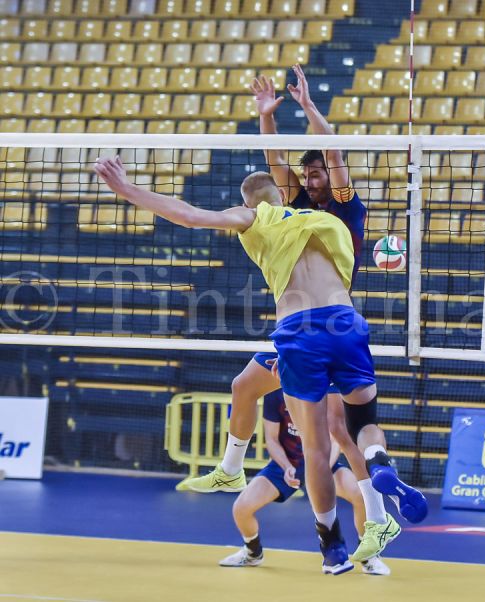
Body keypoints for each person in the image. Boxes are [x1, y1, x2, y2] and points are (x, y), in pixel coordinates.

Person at [93, 158, 427, 574]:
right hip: (347, 324)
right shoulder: (328, 221)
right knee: (360, 423)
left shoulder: (255, 217)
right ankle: (377, 465)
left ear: (250, 202)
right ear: (281, 194)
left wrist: (126, 190)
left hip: (300, 333)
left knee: (316, 447)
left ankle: (332, 546)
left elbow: (190, 215)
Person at [175, 65, 368, 497]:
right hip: (300, 324)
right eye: (307, 175)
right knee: (244, 386)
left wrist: (309, 107)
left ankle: (375, 512)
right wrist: (266, 115)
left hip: (332, 319)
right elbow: (275, 161)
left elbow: (333, 153)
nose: (309, 181)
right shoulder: (294, 206)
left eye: (315, 174)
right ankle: (230, 469)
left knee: (339, 430)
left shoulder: (345, 206)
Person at [219, 387, 390, 576]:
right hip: (288, 465)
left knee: (360, 496)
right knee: (241, 508)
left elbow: (335, 440)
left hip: (323, 462)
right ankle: (252, 552)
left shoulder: (324, 391)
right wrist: (286, 466)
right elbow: (272, 439)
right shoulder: (274, 394)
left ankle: (369, 555)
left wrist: (322, 469)